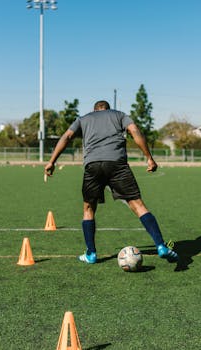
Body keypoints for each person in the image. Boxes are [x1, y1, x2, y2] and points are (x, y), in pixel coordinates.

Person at [44, 100, 178, 264]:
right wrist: (149, 158)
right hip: (117, 165)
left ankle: (91, 254)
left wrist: (52, 161)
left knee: (88, 208)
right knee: (138, 205)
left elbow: (67, 136)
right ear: (108, 109)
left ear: (95, 110)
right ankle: (161, 246)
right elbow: (134, 130)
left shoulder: (84, 118)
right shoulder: (120, 115)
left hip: (93, 165)